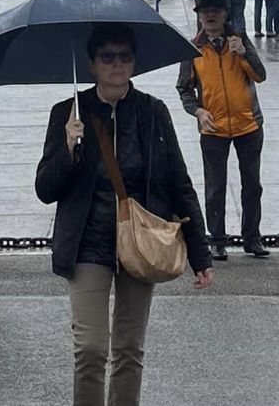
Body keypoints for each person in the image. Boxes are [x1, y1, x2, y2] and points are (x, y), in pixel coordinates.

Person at [36, 24, 214, 406]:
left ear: (134, 62)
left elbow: (178, 182)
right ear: (92, 64)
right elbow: (44, 190)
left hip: (141, 240)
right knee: (91, 348)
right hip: (88, 242)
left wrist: (200, 253)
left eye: (124, 57)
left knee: (130, 348)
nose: (117, 65)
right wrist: (68, 147)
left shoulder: (153, 112)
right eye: (107, 57)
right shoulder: (68, 114)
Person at [177, 0, 270, 260]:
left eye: (215, 11)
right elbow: (184, 88)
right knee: (215, 186)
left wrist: (243, 55)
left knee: (252, 184)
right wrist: (197, 111)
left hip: (248, 124)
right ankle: (217, 240)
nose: (210, 15)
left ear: (225, 14)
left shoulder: (239, 41)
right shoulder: (193, 48)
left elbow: (260, 76)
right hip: (213, 127)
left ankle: (252, 238)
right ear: (199, 17)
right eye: (205, 12)